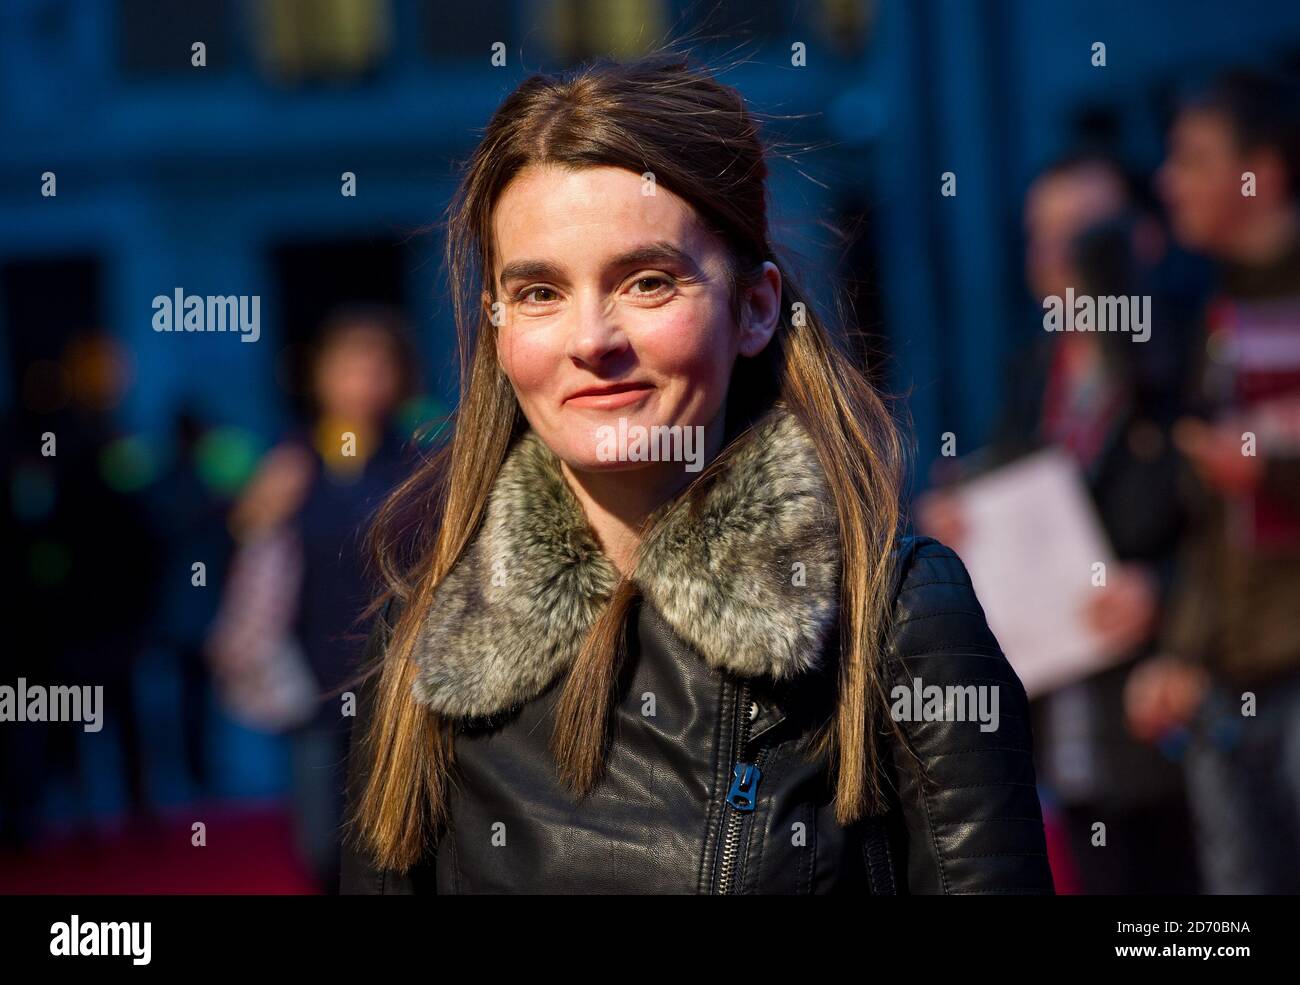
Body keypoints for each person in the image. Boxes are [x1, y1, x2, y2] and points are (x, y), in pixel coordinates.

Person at [337, 52, 1054, 895]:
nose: (591, 338)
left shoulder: (893, 620)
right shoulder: (428, 640)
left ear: (753, 308)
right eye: (539, 292)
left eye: (646, 281)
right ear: (496, 327)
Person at [1126, 68, 1300, 894]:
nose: (1168, 181)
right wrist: (1181, 652)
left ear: (1258, 175)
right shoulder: (1210, 312)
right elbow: (1208, 517)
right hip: (1232, 685)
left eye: (1192, 159)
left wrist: (1274, 468)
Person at [228, 305, 417, 892]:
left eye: (377, 367)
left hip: (399, 683)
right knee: (320, 842)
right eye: (348, 367)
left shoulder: (421, 465)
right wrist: (253, 517)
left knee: (398, 842)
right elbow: (245, 553)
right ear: (320, 377)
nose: (363, 382)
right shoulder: (291, 463)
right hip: (312, 682)